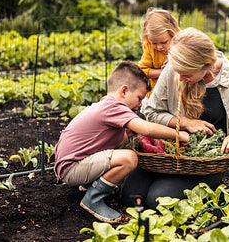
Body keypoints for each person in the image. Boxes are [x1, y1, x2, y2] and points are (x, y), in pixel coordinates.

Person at [120, 27, 229, 209]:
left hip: (208, 161)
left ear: (205, 66)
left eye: (186, 74)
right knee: (129, 196)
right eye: (177, 72)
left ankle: (211, 185)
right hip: (168, 153)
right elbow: (151, 111)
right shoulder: (175, 70)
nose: (179, 78)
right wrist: (185, 122)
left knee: (156, 200)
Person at [54, 61, 189, 223]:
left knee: (122, 139)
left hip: (70, 164)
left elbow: (124, 137)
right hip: (72, 168)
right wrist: (178, 134)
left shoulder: (106, 105)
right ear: (124, 91)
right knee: (129, 158)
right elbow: (145, 129)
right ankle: (92, 199)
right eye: (139, 98)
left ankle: (90, 183)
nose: (140, 105)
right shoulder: (114, 106)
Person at [138, 8, 180, 112]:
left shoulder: (181, 45)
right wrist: (164, 72)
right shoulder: (149, 48)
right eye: (155, 43)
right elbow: (142, 71)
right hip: (153, 94)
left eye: (164, 42)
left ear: (172, 33)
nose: (159, 47)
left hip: (176, 94)